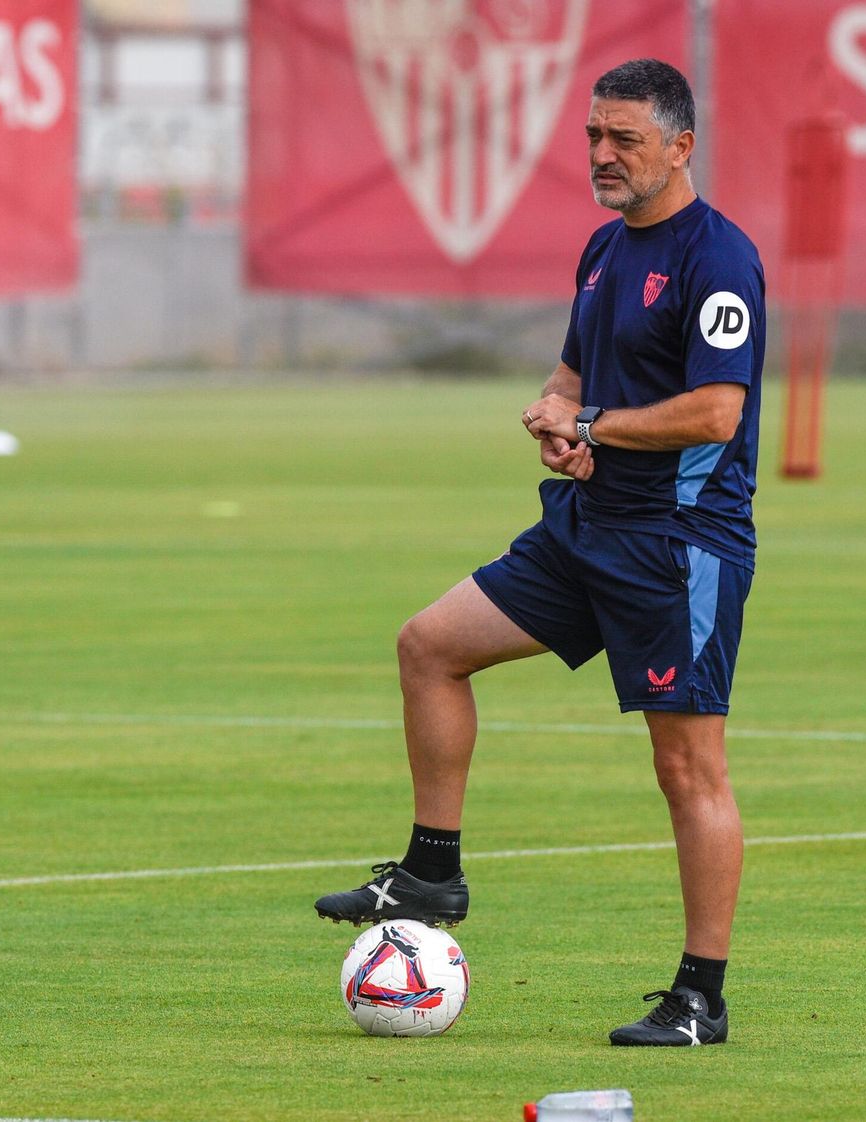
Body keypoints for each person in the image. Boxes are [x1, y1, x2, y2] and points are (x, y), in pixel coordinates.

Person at [315, 58, 764, 1048]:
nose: (602, 154)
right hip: (585, 529)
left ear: (680, 147)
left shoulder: (719, 259)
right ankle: (432, 869)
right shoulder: (603, 249)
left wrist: (593, 423)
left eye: (624, 139)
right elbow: (572, 374)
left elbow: (715, 413)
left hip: (675, 548)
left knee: (687, 769)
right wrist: (556, 414)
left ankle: (701, 998)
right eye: (594, 136)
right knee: (429, 645)